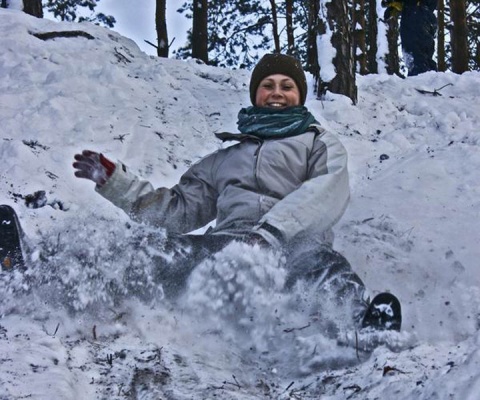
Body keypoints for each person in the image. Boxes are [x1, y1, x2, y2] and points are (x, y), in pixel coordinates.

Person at [69, 53, 401, 332]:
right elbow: (176, 211)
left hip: (296, 247)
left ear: (300, 95)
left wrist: (271, 233)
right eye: (267, 86)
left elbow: (326, 190)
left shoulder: (318, 143)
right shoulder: (224, 159)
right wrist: (115, 182)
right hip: (227, 248)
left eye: (287, 86)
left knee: (329, 270)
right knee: (150, 251)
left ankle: (362, 329)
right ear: (255, 94)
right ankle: (62, 280)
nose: (277, 92)